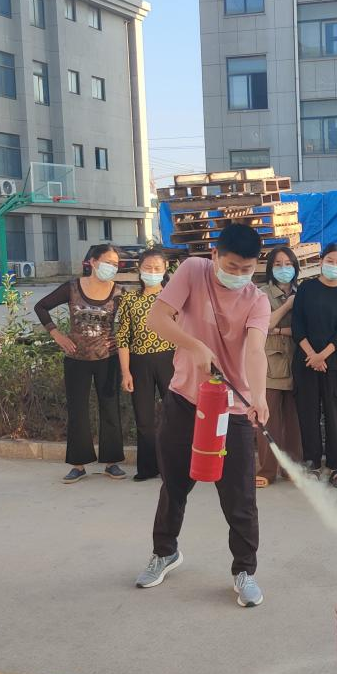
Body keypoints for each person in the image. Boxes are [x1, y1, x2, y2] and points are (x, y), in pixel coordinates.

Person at [135, 223, 270, 608]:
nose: (239, 275)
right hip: (184, 400)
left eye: (247, 269)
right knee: (174, 484)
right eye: (232, 266)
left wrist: (259, 396)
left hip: (234, 410)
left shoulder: (257, 301)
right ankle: (165, 552)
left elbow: (255, 351)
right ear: (215, 256)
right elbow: (157, 319)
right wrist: (193, 345)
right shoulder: (193, 271)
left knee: (240, 497)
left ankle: (244, 571)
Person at [34, 244, 127, 483]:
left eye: (115, 264)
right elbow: (41, 307)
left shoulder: (119, 292)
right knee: (78, 411)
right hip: (76, 359)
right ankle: (78, 464)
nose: (112, 267)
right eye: (107, 262)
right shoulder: (73, 287)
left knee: (110, 409)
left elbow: (130, 323)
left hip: (108, 358)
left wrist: (121, 341)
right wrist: (57, 335)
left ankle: (111, 463)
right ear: (93, 262)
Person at [291, 243, 337, 488]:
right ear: (321, 261)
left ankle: (335, 467)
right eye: (330, 260)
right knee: (307, 414)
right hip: (306, 362)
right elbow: (298, 326)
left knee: (334, 415)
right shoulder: (306, 289)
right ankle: (312, 465)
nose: (334, 265)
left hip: (335, 364)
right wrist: (313, 355)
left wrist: (322, 357)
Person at [117, 249, 176, 482]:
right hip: (139, 362)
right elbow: (123, 337)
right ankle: (148, 467)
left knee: (174, 415)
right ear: (139, 269)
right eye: (148, 268)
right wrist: (125, 372)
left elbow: (185, 331)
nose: (152, 272)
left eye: (157, 268)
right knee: (144, 418)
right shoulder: (129, 299)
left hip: (169, 360)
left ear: (165, 269)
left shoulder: (174, 297)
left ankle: (174, 466)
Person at [255, 246, 303, 487]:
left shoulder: (303, 293)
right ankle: (266, 470)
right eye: (278, 264)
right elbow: (263, 325)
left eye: (288, 264)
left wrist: (279, 330)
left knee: (295, 421)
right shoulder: (261, 294)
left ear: (295, 267)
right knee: (268, 420)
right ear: (270, 268)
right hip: (270, 364)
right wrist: (286, 307)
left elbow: (305, 329)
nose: (284, 269)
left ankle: (292, 468)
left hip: (297, 363)